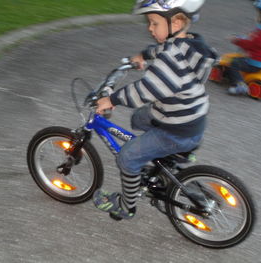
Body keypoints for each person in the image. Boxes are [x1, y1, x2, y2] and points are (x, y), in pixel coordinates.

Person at [93, 0, 217, 220]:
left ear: (176, 22)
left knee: (127, 158)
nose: (150, 28)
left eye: (154, 23)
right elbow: (163, 49)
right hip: (191, 118)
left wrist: (111, 99)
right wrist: (144, 55)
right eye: (149, 23)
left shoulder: (171, 59)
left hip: (175, 130)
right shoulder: (189, 44)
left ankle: (125, 206)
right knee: (139, 118)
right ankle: (169, 162)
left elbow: (145, 90)